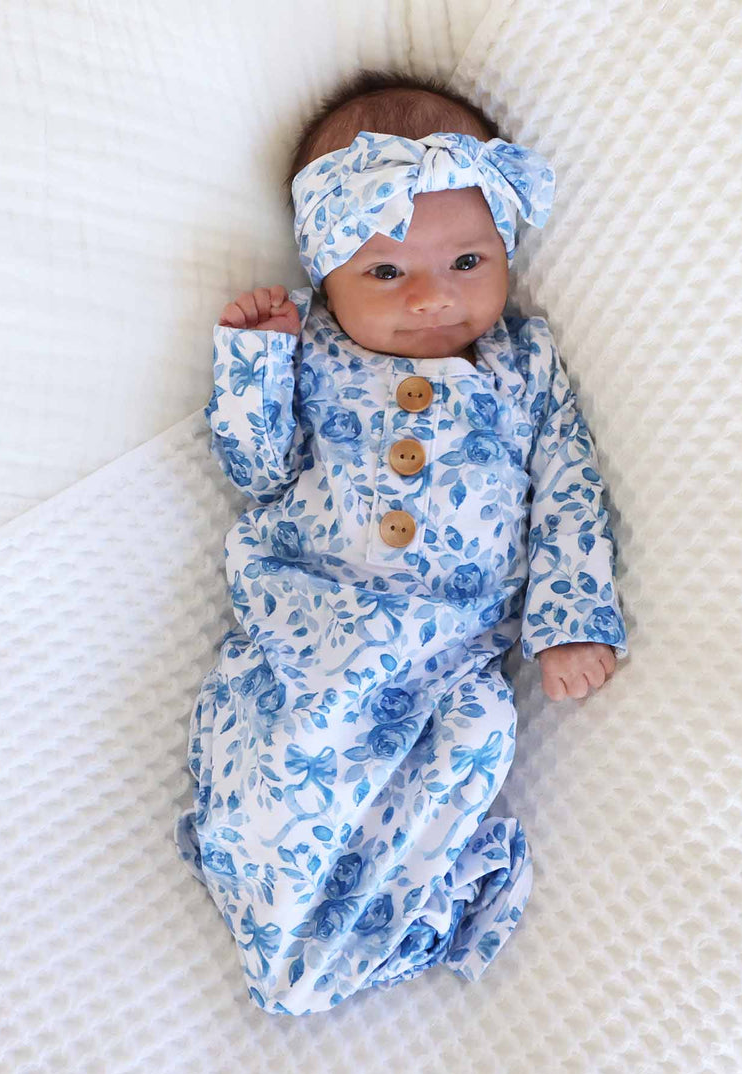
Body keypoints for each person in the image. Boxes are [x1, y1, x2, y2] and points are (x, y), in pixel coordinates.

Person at [175, 71, 628, 1015]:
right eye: (385, 272)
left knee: (476, 737)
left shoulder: (526, 367)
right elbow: (255, 469)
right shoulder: (317, 353)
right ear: (325, 275)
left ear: (504, 243)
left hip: (451, 652)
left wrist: (571, 619)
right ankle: (283, 921)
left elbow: (572, 496)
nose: (432, 299)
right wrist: (255, 362)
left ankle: (381, 917)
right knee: (283, 774)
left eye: (467, 263)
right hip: (308, 633)